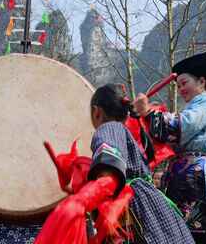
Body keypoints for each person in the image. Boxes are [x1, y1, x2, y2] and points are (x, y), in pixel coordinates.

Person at [35, 84, 195, 244]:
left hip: (134, 204)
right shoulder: (131, 132)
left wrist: (83, 199)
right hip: (152, 204)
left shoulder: (109, 128)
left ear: (96, 112)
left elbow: (111, 168)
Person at [134, 51, 206, 244]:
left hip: (195, 176)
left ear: (201, 81)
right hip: (182, 175)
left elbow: (181, 125)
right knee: (181, 233)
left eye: (184, 83)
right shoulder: (196, 104)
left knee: (198, 233)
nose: (181, 89)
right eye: (178, 85)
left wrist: (149, 112)